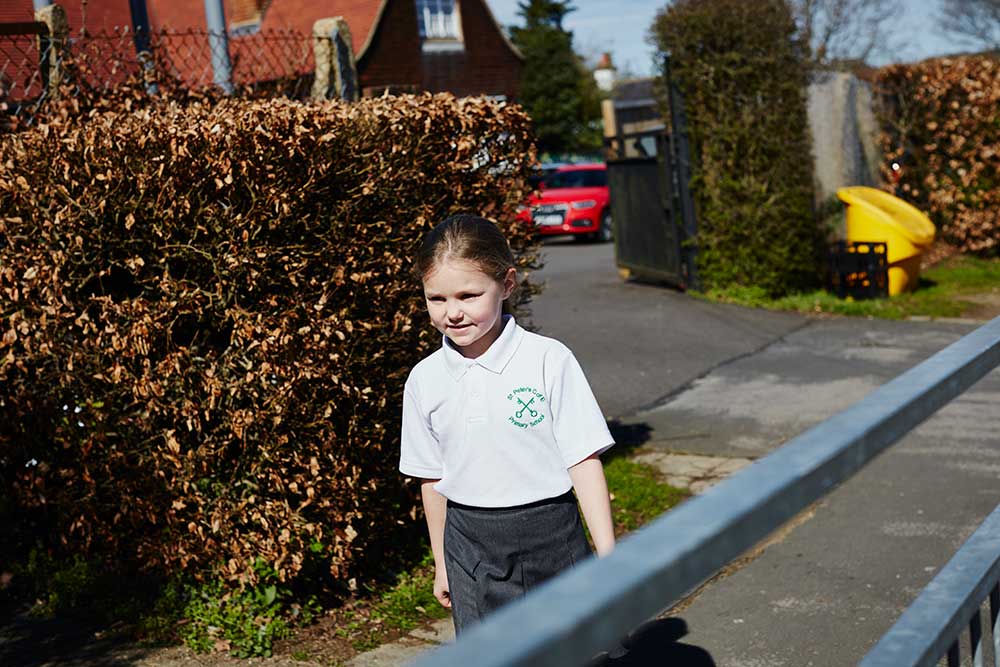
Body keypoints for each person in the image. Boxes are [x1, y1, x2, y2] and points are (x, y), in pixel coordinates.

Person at [399, 214, 616, 634]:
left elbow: (583, 461)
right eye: (437, 299)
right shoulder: (424, 380)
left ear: (508, 285)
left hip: (551, 537)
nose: (453, 313)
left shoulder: (549, 360)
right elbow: (431, 479)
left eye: (468, 295)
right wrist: (442, 563)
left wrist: (609, 556)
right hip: (470, 547)